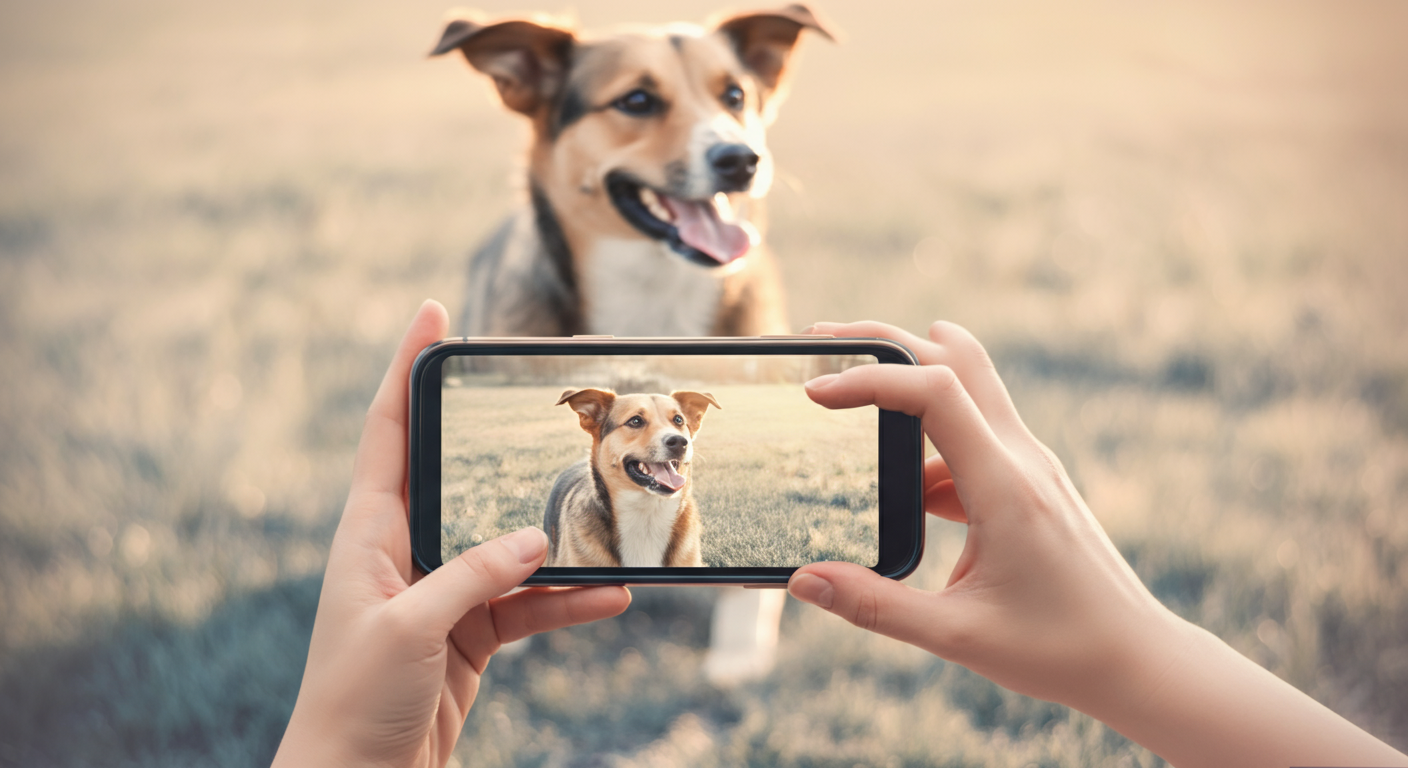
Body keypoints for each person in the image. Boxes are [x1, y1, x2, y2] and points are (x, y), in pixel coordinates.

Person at [273, 300, 1408, 768]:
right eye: (636, 425)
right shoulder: (572, 503)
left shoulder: (694, 511)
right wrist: (1147, 655)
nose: (667, 440)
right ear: (592, 432)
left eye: (678, 424)